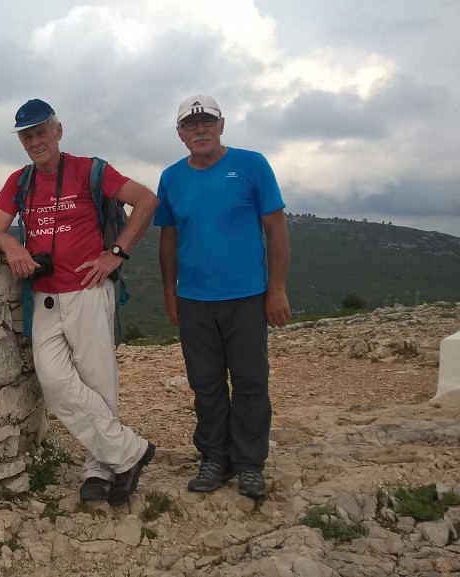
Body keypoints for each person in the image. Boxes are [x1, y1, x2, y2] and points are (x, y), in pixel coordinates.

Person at [0, 99, 159, 506]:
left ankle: (99, 467)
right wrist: (12, 244)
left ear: (58, 131)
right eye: (27, 135)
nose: (35, 141)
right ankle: (129, 453)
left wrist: (116, 252)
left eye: (41, 132)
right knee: (53, 379)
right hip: (45, 295)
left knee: (97, 379)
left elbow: (147, 201)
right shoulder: (19, 181)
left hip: (88, 289)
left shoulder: (90, 170)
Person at [155, 95, 290, 499]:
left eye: (207, 122)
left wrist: (277, 289)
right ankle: (215, 457)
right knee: (205, 384)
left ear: (221, 125)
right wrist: (169, 293)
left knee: (250, 382)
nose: (200, 130)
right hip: (194, 300)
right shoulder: (171, 178)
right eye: (190, 125)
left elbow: (277, 229)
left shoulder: (252, 165)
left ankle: (249, 463)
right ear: (180, 133)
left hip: (247, 296)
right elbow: (168, 238)